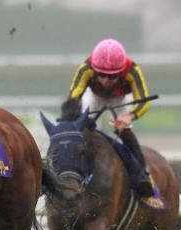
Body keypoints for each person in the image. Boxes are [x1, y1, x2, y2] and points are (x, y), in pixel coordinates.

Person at [62, 38, 154, 197]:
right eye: (101, 75)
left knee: (124, 131)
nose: (106, 81)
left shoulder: (133, 71)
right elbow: (73, 97)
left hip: (120, 98)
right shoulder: (85, 68)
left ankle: (141, 175)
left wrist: (129, 117)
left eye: (112, 76)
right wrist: (78, 120)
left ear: (122, 71)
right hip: (94, 96)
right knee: (83, 130)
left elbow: (144, 102)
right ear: (94, 70)